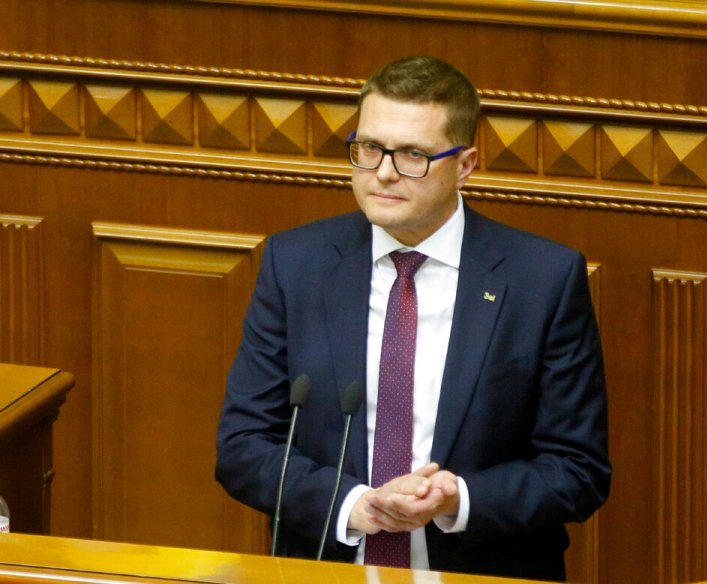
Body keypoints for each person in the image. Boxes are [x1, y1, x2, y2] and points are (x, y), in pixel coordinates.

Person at [216, 55, 610, 582]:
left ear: (466, 164)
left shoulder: (542, 279)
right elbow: (244, 446)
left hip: (482, 570)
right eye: (370, 148)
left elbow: (577, 469)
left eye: (413, 156)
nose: (382, 172)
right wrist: (355, 505)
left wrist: (456, 499)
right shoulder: (297, 264)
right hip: (328, 569)